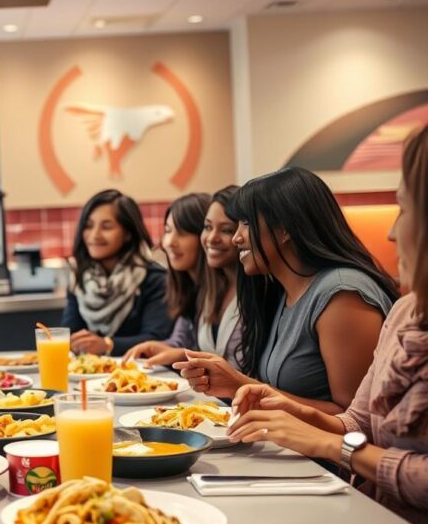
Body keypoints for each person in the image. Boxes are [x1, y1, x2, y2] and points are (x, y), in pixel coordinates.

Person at [227, 125, 428, 524]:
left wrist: (333, 445)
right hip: (376, 518)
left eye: (403, 210)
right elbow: (358, 423)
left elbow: (347, 437)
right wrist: (286, 407)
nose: (391, 232)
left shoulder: (341, 292)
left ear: (284, 229)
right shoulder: (405, 312)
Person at [176, 167, 398, 413]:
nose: (237, 238)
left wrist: (240, 384)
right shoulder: (282, 292)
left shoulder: (343, 295)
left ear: (285, 229)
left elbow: (356, 418)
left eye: (246, 224)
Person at [126, 187, 242, 367]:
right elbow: (181, 341)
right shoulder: (197, 289)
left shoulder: (241, 289)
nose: (169, 242)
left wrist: (182, 355)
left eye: (182, 232)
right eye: (167, 231)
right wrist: (162, 348)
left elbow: (241, 365)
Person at [62, 189, 174, 356]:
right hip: (89, 370)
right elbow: (69, 333)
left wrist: (107, 345)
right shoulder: (79, 276)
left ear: (128, 233)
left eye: (106, 227)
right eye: (88, 226)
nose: (94, 235)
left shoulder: (155, 278)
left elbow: (156, 339)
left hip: (139, 370)